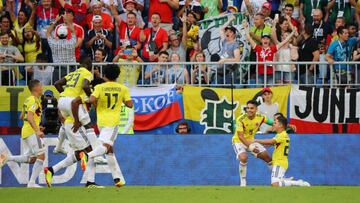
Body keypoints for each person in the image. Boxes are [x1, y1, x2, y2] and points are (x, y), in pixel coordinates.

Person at [79, 64, 133, 188]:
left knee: (109, 149)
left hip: (101, 121)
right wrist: (123, 100)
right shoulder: (123, 88)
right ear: (118, 75)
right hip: (113, 122)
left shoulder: (99, 87)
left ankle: (117, 179)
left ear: (105, 75)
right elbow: (130, 105)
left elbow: (91, 99)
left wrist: (94, 104)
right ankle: (87, 156)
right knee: (105, 146)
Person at [0, 80, 45, 188]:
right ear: (36, 87)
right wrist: (37, 130)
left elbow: (22, 116)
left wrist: (37, 125)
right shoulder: (34, 100)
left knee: (32, 158)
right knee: (41, 156)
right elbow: (29, 116)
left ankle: (7, 158)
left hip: (25, 131)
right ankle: (32, 183)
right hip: (31, 132)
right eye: (41, 85)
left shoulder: (28, 100)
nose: (42, 87)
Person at [253, 116, 311, 187]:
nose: (273, 124)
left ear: (280, 125)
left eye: (275, 123)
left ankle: (298, 183)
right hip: (280, 162)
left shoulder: (282, 135)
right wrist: (260, 147)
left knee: (275, 184)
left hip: (279, 163)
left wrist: (256, 140)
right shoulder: (281, 135)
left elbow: (271, 142)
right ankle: (287, 181)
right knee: (276, 183)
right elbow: (272, 144)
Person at [232, 100, 274, 187]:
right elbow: (240, 136)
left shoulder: (261, 117)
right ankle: (243, 181)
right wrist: (251, 147)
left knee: (267, 157)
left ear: (256, 109)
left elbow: (274, 123)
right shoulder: (240, 119)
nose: (249, 110)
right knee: (243, 158)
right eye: (248, 108)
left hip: (251, 140)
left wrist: (287, 125)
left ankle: (277, 178)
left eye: (252, 108)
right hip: (239, 141)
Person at [244, 20, 296, 85]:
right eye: (263, 38)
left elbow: (285, 41)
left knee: (270, 91)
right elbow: (249, 38)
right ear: (261, 40)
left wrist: (293, 32)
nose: (265, 40)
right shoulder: (258, 48)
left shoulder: (273, 48)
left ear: (269, 40)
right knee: (259, 91)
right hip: (260, 74)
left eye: (267, 39)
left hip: (270, 74)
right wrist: (245, 28)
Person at [217, 15, 241, 85]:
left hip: (229, 71)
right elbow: (221, 29)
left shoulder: (235, 44)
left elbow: (237, 59)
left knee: (228, 90)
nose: (227, 33)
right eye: (226, 31)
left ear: (234, 34)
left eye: (230, 32)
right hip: (220, 70)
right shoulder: (224, 41)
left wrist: (225, 60)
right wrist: (230, 20)